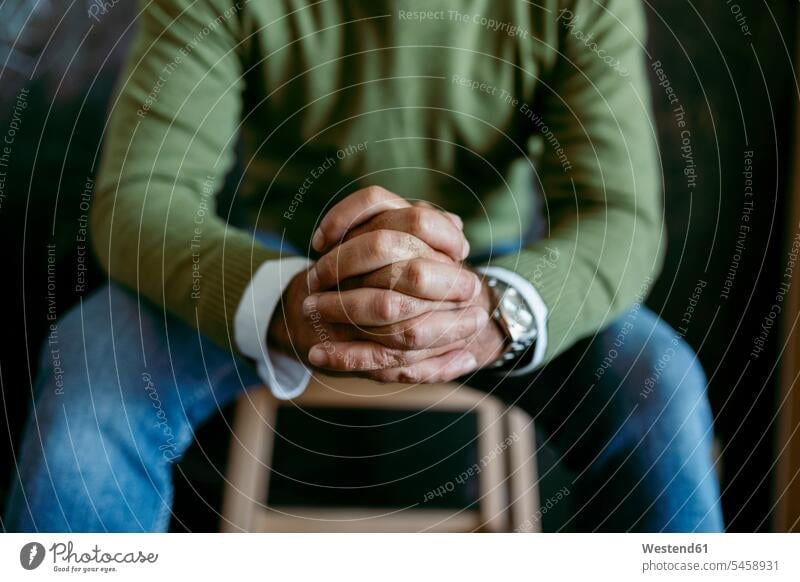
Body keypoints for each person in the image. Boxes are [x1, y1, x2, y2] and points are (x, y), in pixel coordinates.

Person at [5, 0, 723, 532]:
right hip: (272, 260)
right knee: (89, 380)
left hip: (493, 269)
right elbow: (139, 197)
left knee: (658, 383)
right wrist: (286, 300)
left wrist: (491, 308)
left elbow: (619, 216)